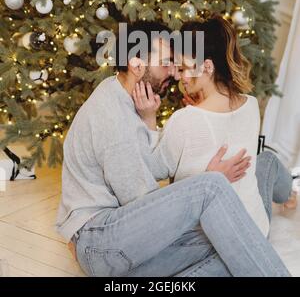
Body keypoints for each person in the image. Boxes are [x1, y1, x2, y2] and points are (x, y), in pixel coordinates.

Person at [56, 21, 290, 277]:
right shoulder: (113, 118)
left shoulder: (120, 92)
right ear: (137, 64)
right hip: (103, 243)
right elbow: (143, 202)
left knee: (233, 240)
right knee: (212, 191)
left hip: (118, 238)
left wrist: (149, 118)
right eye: (166, 62)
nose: (175, 73)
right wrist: (206, 179)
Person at [134, 16, 295, 241]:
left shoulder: (185, 120)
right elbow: (219, 131)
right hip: (257, 225)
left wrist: (148, 117)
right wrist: (200, 106)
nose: (179, 76)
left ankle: (289, 191)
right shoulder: (249, 104)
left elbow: (152, 169)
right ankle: (290, 193)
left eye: (183, 68)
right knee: (266, 161)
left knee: (266, 162)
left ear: (207, 66)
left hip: (217, 239)